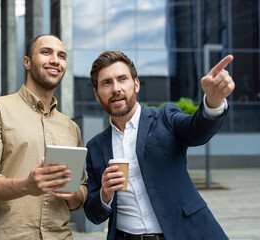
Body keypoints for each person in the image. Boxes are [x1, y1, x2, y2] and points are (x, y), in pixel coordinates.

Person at [84, 50, 235, 240]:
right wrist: (105, 195)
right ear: (97, 95)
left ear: (136, 84)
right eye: (107, 82)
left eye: (122, 79)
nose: (116, 88)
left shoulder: (165, 118)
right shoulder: (95, 147)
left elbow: (197, 131)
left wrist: (213, 101)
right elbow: (92, 213)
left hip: (185, 233)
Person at [0, 34, 87, 240]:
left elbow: (80, 191)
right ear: (27, 62)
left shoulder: (71, 128)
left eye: (62, 56)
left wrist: (75, 195)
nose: (55, 60)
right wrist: (26, 186)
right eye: (46, 52)